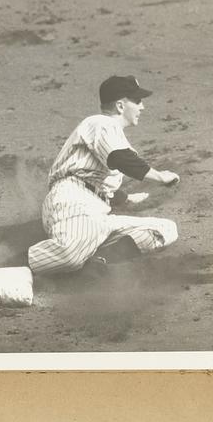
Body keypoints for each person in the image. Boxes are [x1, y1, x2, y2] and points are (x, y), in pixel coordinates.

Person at [28, 75, 180, 274]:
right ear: (120, 106)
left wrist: (124, 198)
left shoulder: (110, 133)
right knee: (70, 254)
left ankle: (97, 262)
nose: (142, 107)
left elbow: (99, 177)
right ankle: (12, 265)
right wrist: (160, 176)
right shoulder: (100, 123)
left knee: (164, 229)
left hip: (97, 212)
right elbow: (120, 158)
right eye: (137, 101)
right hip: (73, 202)